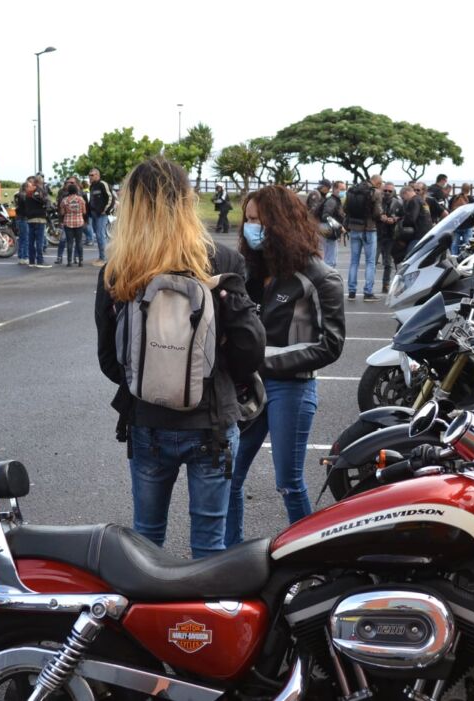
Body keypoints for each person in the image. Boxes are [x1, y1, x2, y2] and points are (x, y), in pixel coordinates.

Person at [95, 156, 265, 559]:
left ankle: (147, 603)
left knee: (146, 540)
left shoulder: (118, 271)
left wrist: (151, 377)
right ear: (186, 202)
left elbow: (110, 360)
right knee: (209, 546)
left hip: (146, 420)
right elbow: (250, 349)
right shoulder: (220, 262)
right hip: (211, 422)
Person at [225, 184, 346, 544]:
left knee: (289, 482)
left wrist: (262, 360)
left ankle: (309, 556)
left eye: (259, 221)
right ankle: (228, 555)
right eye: (248, 220)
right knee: (228, 477)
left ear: (281, 223)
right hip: (248, 388)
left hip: (291, 388)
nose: (252, 228)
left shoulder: (320, 277)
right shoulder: (248, 271)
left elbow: (330, 345)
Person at [344, 175, 385, 302]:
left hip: (354, 228)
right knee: (370, 262)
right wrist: (382, 216)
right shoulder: (375, 192)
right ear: (378, 183)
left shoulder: (352, 190)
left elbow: (345, 208)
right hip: (369, 229)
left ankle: (351, 292)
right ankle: (368, 293)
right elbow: (377, 213)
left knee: (354, 261)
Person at [306, 179, 341, 267]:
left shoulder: (322, 196)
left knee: (323, 249)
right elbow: (314, 211)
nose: (328, 190)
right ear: (324, 187)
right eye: (328, 188)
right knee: (321, 249)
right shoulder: (315, 194)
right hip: (314, 224)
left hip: (318, 225)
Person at [17, 178, 49, 267]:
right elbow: (45, 201)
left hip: (30, 219)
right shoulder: (39, 192)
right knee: (39, 241)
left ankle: (31, 261)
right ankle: (40, 261)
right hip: (40, 218)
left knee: (30, 241)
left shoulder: (27, 194)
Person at [377, 182, 402, 290]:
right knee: (372, 261)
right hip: (377, 234)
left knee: (388, 262)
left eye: (389, 191)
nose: (387, 192)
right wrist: (379, 216)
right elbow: (370, 213)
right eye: (385, 190)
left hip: (390, 235)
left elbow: (403, 216)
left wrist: (395, 219)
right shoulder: (377, 201)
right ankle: (369, 286)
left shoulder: (398, 202)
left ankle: (386, 284)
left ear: (393, 191)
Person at [88, 168, 115, 266]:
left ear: (97, 175)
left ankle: (104, 259)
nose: (90, 177)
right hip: (94, 214)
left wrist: (106, 210)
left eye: (92, 175)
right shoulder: (92, 186)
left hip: (101, 215)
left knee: (100, 236)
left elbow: (111, 197)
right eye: (89, 175)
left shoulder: (103, 184)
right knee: (99, 236)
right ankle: (101, 257)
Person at [57, 181, 87, 266]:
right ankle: (80, 261)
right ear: (76, 190)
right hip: (79, 222)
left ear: (68, 191)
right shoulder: (81, 199)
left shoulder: (65, 200)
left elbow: (62, 213)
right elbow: (84, 212)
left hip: (68, 222)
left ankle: (69, 261)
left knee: (69, 242)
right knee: (79, 242)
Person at [401, 184, 433, 257]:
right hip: (426, 232)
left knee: (410, 257)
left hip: (418, 234)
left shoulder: (413, 201)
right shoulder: (422, 200)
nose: (404, 200)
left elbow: (411, 219)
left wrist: (401, 221)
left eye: (403, 197)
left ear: (406, 193)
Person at [450, 183, 474, 254]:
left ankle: (454, 257)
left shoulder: (454, 198)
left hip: (456, 225)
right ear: (469, 190)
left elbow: (449, 209)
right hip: (467, 225)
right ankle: (466, 257)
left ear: (461, 189)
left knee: (454, 244)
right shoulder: (471, 199)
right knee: (468, 244)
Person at [13, 176, 34, 265]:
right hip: (24, 219)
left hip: (19, 218)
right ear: (26, 187)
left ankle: (21, 256)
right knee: (26, 239)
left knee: (21, 238)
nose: (31, 187)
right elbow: (27, 209)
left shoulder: (19, 195)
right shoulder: (25, 196)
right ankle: (25, 257)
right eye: (30, 186)